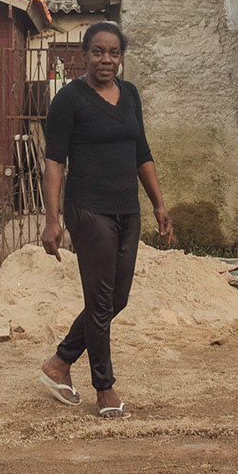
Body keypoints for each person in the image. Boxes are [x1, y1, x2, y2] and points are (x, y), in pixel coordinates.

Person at [37, 21, 174, 419]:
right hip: (88, 210)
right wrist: (52, 219)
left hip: (127, 210)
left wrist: (158, 205)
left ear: (121, 57)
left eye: (114, 53)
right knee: (99, 301)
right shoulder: (69, 100)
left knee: (117, 299)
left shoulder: (130, 95)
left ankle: (60, 362)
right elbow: (54, 162)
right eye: (98, 52)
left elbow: (142, 152)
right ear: (84, 55)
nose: (106, 60)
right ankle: (105, 388)